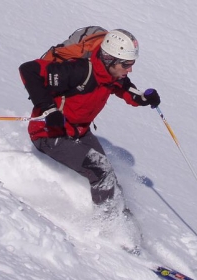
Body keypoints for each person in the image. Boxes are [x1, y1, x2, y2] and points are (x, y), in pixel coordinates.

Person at [19, 29, 160, 213]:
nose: (130, 69)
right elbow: (28, 70)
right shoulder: (78, 71)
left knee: (110, 178)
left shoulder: (110, 74)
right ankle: (108, 228)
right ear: (110, 59)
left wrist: (142, 98)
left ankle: (123, 222)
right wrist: (49, 109)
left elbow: (123, 87)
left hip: (80, 132)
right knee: (102, 171)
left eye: (132, 64)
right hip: (50, 133)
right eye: (126, 64)